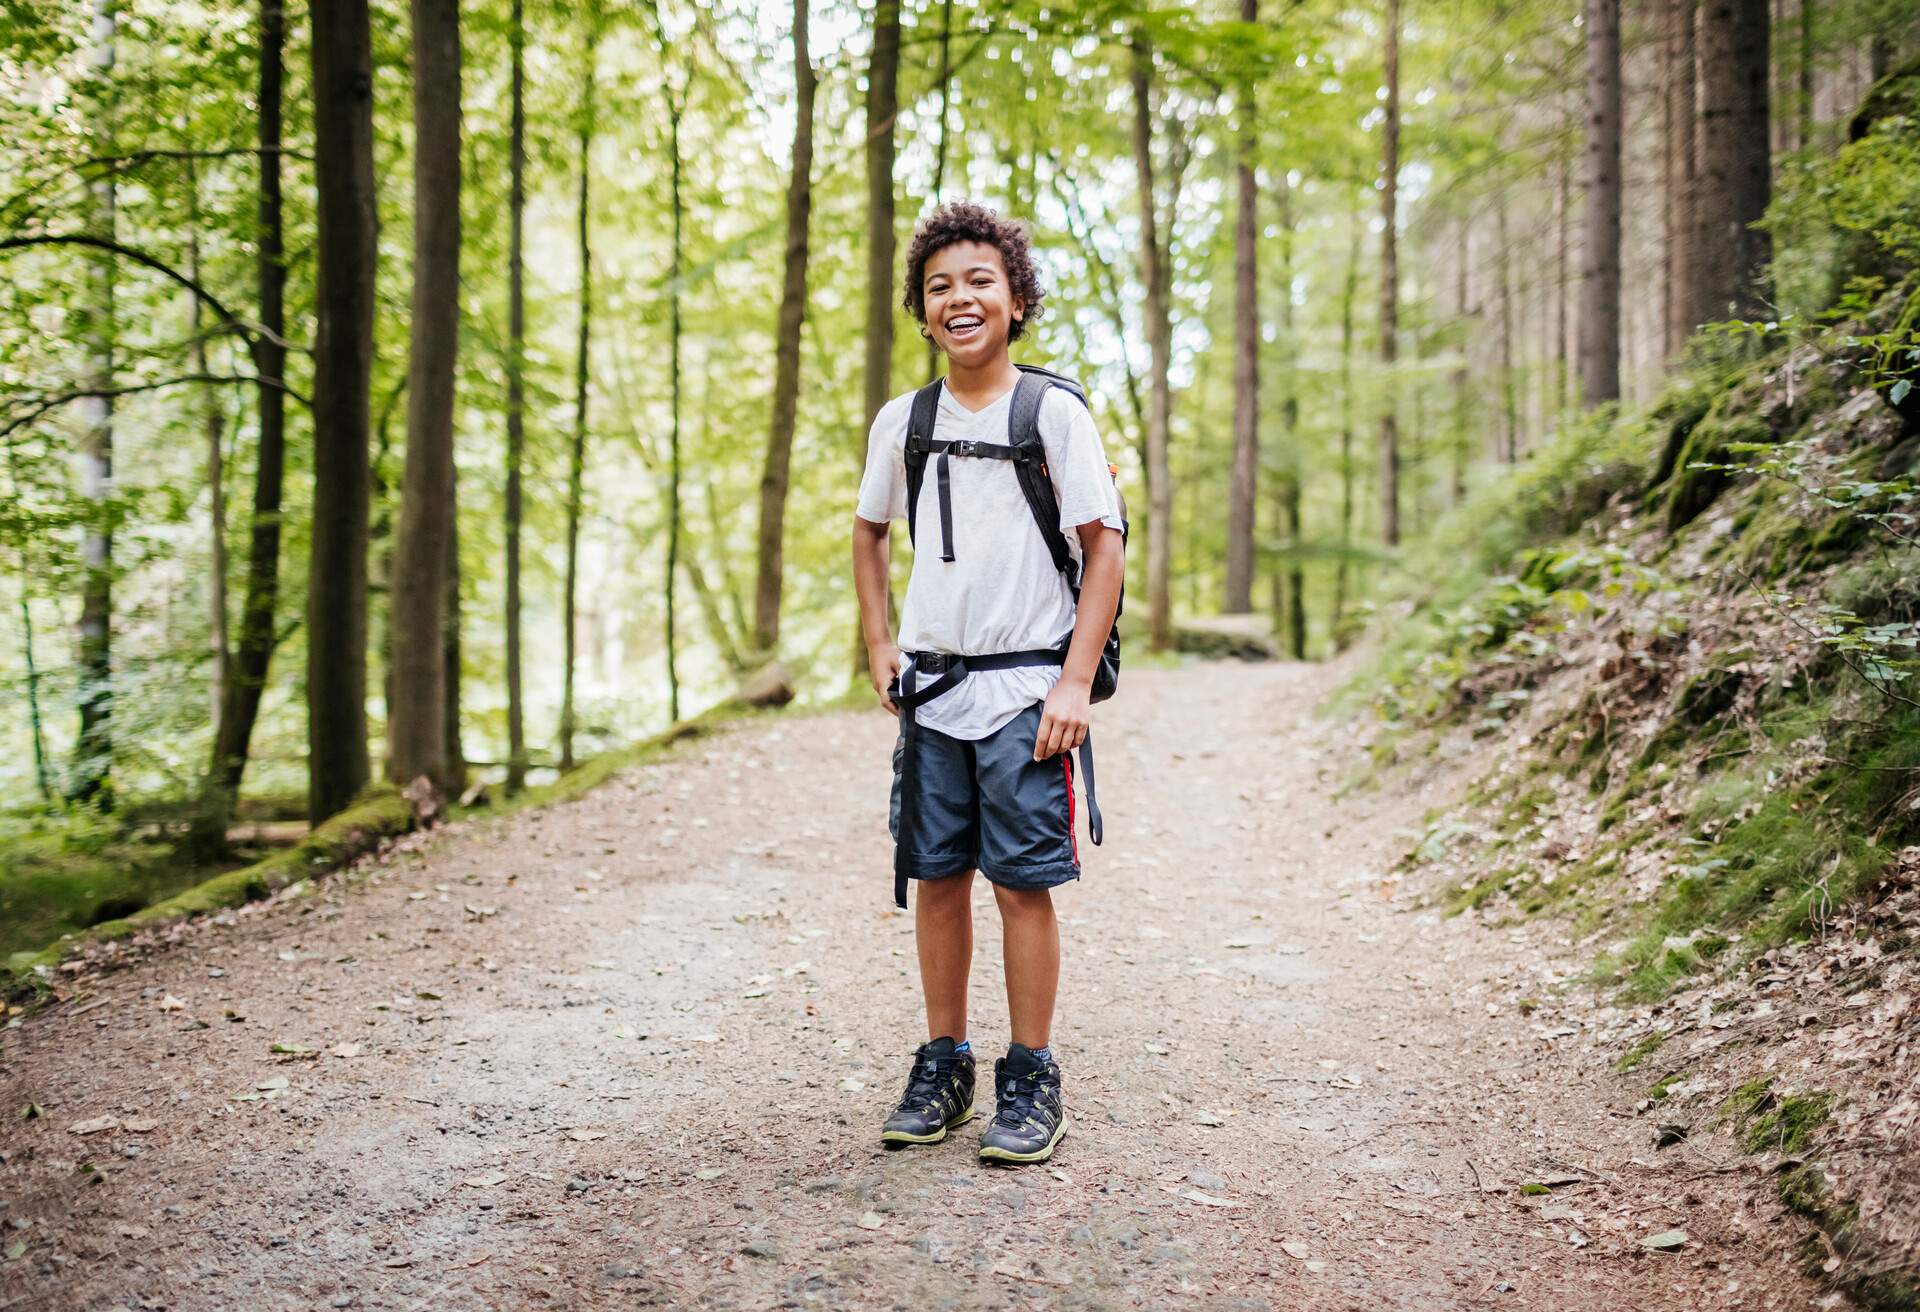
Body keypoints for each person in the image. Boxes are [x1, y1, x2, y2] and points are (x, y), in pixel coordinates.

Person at [850, 199, 1125, 1165]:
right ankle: (944, 1064)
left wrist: (1074, 685)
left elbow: (1104, 546)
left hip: (1026, 694)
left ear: (1015, 300)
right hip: (933, 695)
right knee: (935, 878)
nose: (959, 299)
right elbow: (870, 531)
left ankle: (1031, 1076)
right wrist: (880, 642)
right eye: (939, 288)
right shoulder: (903, 421)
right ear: (921, 313)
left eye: (979, 282)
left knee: (1020, 885)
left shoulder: (1053, 412)